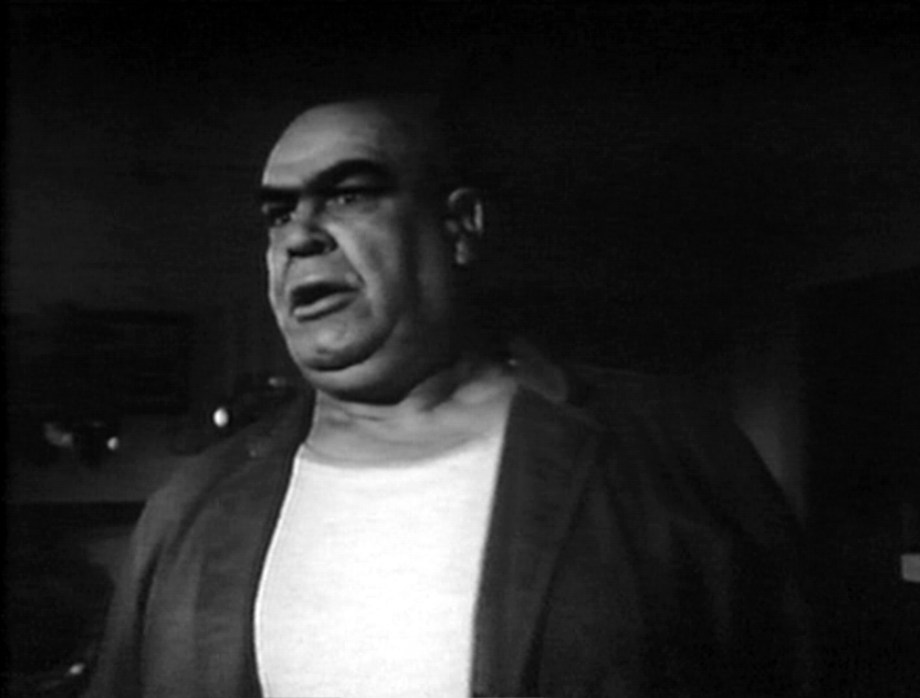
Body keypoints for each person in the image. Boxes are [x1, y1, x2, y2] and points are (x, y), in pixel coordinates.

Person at [85, 95, 816, 697]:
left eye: (349, 194)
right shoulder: (191, 507)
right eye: (278, 215)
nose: (299, 236)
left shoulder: (665, 447)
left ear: (461, 226)